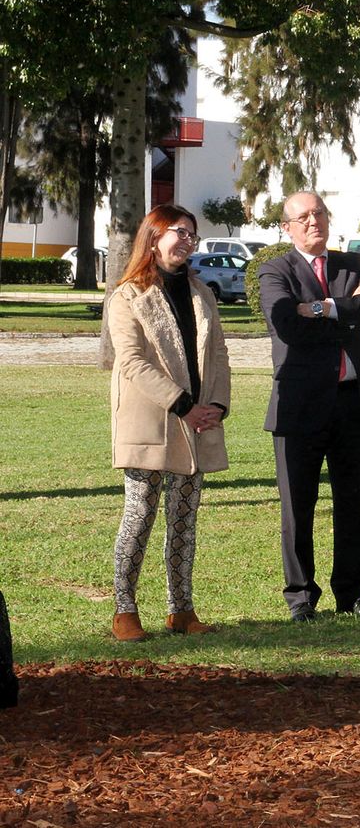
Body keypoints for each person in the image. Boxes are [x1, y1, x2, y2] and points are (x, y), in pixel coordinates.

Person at [101, 203, 231, 641]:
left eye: (193, 234)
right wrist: (184, 405)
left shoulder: (202, 293)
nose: (188, 241)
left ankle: (181, 609)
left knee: (184, 520)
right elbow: (133, 362)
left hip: (197, 425)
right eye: (180, 232)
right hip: (150, 423)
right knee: (139, 515)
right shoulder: (127, 296)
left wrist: (216, 405)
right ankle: (125, 609)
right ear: (153, 237)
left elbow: (219, 357)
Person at [258, 192, 360, 622]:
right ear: (287, 227)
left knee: (353, 502)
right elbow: (287, 325)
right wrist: (345, 314)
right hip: (300, 408)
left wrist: (325, 308)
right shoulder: (275, 270)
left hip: (352, 404)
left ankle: (352, 593)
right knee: (298, 507)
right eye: (303, 216)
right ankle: (300, 597)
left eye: (319, 213)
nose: (313, 221)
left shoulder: (349, 263)